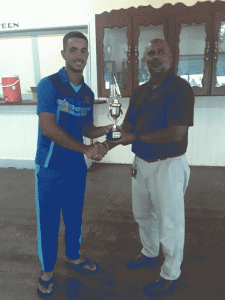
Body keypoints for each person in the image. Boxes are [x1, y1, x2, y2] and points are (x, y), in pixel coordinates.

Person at [103, 38, 195, 296]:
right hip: (141, 164)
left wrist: (138, 138)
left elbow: (177, 133)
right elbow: (125, 130)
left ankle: (170, 273)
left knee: (170, 224)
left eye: (160, 52)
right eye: (150, 53)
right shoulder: (141, 91)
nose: (155, 57)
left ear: (171, 56)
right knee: (143, 215)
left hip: (168, 167)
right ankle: (150, 253)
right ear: (145, 60)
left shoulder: (181, 89)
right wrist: (104, 146)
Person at [35, 31, 112, 298]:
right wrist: (86, 149)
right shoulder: (49, 85)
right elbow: (48, 128)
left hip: (76, 168)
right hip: (49, 167)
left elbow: (87, 128)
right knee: (48, 221)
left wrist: (110, 129)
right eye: (74, 50)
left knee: (74, 218)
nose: (79, 55)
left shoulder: (88, 94)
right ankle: (47, 271)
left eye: (83, 51)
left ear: (87, 55)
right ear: (64, 54)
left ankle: (73, 257)